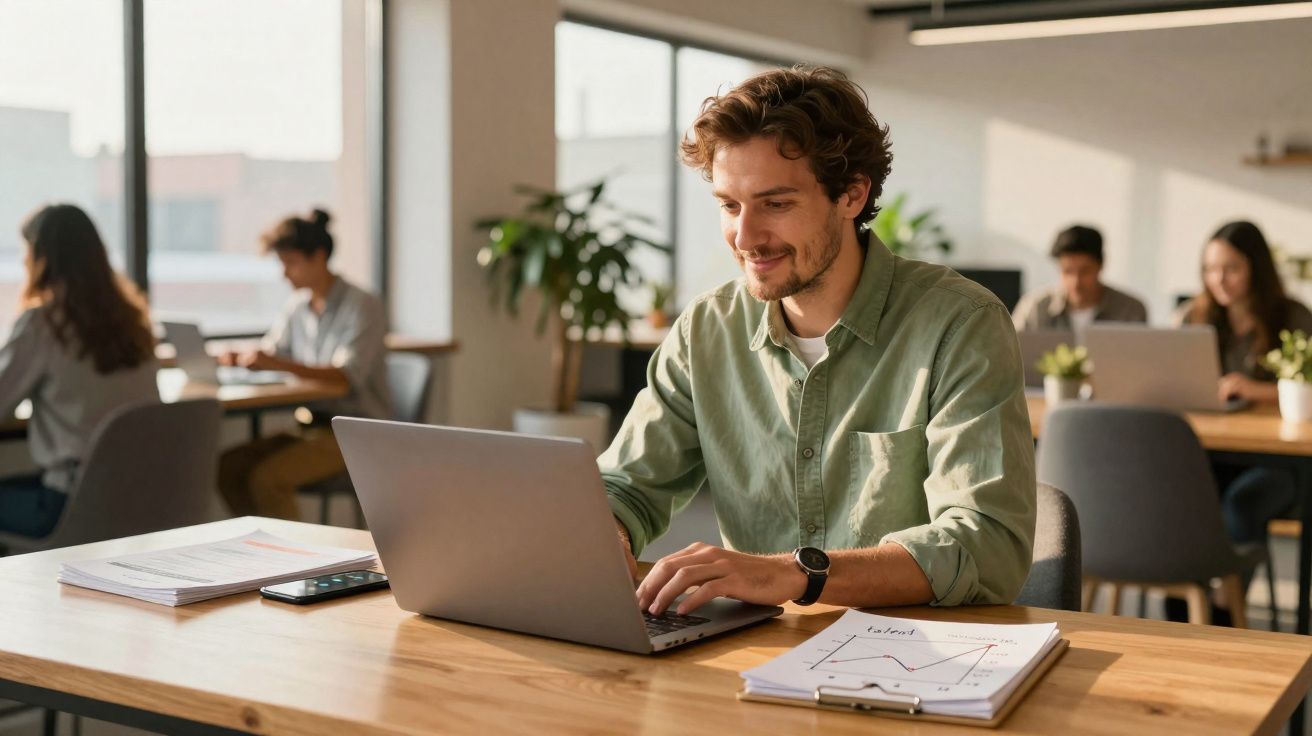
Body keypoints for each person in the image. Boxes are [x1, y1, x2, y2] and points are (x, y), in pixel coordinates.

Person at [600, 66, 1036, 617]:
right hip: (755, 653)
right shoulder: (707, 329)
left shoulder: (959, 324)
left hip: (916, 660)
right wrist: (605, 534)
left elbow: (986, 544)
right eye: (730, 205)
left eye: (776, 204)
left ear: (852, 195)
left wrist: (793, 574)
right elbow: (626, 485)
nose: (746, 236)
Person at [217, 209, 390, 520]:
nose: (285, 274)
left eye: (290, 263)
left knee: (268, 479)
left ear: (318, 257)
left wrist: (280, 364)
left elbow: (346, 376)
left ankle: (296, 565)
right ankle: (259, 556)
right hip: (308, 426)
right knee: (229, 467)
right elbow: (274, 352)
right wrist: (240, 359)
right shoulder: (298, 307)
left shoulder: (363, 305)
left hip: (356, 435)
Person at [0, 204, 160, 538]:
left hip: (70, 503)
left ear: (42, 258)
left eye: (26, 251)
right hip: (141, 495)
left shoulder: (42, 324)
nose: (23, 261)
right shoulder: (133, 322)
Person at [1176, 220, 1312, 547]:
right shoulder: (1192, 315)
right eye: (1210, 269)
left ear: (1256, 268)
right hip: (1208, 449)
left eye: (1231, 268)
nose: (1218, 279)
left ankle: (1226, 597)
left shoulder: (1293, 316)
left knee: (1242, 505)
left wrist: (1257, 391)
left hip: (1276, 458)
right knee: (1177, 497)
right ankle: (1185, 597)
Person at [1012, 225, 1148, 341]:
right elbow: (1010, 358)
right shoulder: (1035, 308)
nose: (1076, 281)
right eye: (1068, 271)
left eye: (1085, 271)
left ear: (1101, 265)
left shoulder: (1130, 311)